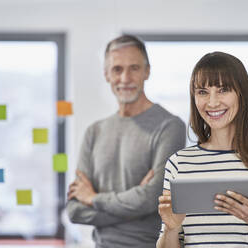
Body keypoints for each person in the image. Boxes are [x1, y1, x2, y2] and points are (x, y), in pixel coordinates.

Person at [157, 52, 248, 248]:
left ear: (242, 94)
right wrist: (171, 228)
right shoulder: (179, 163)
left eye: (223, 89)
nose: (212, 102)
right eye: (202, 92)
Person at [66, 35, 186, 248]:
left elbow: (152, 199)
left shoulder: (169, 126)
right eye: (117, 69)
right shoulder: (94, 132)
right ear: (106, 74)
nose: (125, 78)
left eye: (134, 68)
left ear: (147, 71)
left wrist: (94, 199)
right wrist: (134, 204)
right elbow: (75, 210)